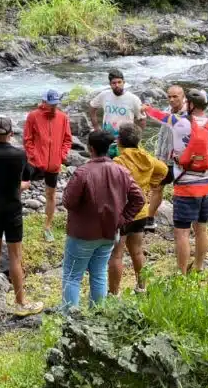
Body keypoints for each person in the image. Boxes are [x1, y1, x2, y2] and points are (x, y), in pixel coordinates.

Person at [60, 129, 144, 309]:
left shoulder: (82, 172)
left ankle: (69, 317)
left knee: (72, 276)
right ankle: (97, 314)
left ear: (90, 148)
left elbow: (68, 202)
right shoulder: (121, 171)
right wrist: (123, 219)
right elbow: (139, 199)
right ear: (110, 148)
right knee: (99, 273)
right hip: (109, 232)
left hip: (81, 234)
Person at [0, 117, 44, 316]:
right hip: (12, 208)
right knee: (15, 257)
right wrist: (21, 186)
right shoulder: (19, 155)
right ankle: (20, 303)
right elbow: (24, 180)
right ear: (11, 134)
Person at [171, 89, 208, 274]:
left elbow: (157, 117)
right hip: (207, 188)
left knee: (182, 232)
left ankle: (181, 273)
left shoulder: (177, 124)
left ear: (190, 104)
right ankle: (198, 268)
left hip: (185, 188)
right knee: (202, 229)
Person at [109, 123, 167, 294]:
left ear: (119, 140)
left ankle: (114, 293)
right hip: (141, 211)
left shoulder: (119, 161)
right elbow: (163, 169)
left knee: (117, 254)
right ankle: (142, 287)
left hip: (123, 213)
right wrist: (152, 184)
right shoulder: (147, 158)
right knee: (137, 251)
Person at [23, 90, 72, 241]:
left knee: (51, 194)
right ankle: (12, 219)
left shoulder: (63, 117)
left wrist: (61, 156)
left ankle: (48, 226)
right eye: (51, 104)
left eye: (55, 104)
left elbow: (67, 140)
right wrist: (34, 156)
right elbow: (27, 139)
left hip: (54, 164)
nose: (53, 107)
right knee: (21, 186)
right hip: (35, 163)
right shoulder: (33, 116)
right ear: (43, 102)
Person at [143, 84, 187, 231]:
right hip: (164, 158)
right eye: (169, 97)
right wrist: (158, 156)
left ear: (183, 97)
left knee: (180, 191)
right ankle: (149, 219)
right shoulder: (168, 109)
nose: (172, 99)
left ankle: (182, 224)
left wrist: (148, 110)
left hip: (180, 161)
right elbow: (163, 132)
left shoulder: (187, 114)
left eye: (175, 96)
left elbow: (164, 118)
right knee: (157, 187)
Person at [89, 69, 146, 153]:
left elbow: (142, 120)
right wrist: (96, 127)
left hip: (125, 141)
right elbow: (92, 107)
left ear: (124, 82)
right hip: (106, 139)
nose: (117, 85)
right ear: (110, 84)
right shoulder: (104, 95)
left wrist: (135, 139)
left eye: (119, 82)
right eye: (114, 83)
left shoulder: (133, 99)